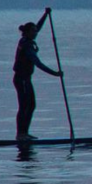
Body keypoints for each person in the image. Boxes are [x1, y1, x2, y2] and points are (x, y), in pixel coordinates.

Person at [13, 8, 63, 140]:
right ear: (28, 32)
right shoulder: (27, 46)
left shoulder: (27, 38)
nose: (36, 33)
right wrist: (55, 74)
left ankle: (24, 133)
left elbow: (38, 27)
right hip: (21, 79)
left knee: (31, 105)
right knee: (24, 105)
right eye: (34, 31)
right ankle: (21, 134)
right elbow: (38, 63)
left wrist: (45, 15)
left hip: (26, 79)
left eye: (36, 31)